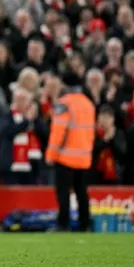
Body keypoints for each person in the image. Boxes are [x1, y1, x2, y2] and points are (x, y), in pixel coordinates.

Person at [46, 77, 96, 231]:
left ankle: (63, 224)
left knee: (63, 192)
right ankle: (85, 223)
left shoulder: (64, 104)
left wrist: (51, 155)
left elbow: (58, 131)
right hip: (84, 157)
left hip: (66, 157)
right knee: (82, 192)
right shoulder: (88, 104)